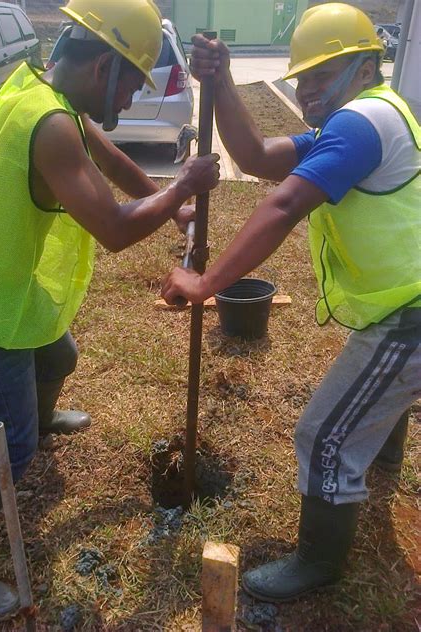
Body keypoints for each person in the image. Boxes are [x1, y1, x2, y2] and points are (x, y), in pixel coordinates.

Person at [0, 0, 220, 622]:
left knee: (61, 353)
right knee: (4, 448)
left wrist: (168, 202)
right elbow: (116, 230)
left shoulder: (41, 91)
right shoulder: (52, 126)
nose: (126, 105)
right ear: (104, 67)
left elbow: (112, 160)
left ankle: (35, 425)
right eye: (131, 87)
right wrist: (183, 187)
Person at [162, 2, 420, 602]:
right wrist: (222, 81)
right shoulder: (356, 121)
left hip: (410, 319)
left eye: (320, 76)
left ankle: (318, 563)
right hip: (401, 308)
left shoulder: (360, 124)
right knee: (376, 398)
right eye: (301, 78)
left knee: (324, 435)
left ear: (362, 67)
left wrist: (205, 283)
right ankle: (382, 462)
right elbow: (253, 159)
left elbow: (281, 206)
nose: (306, 91)